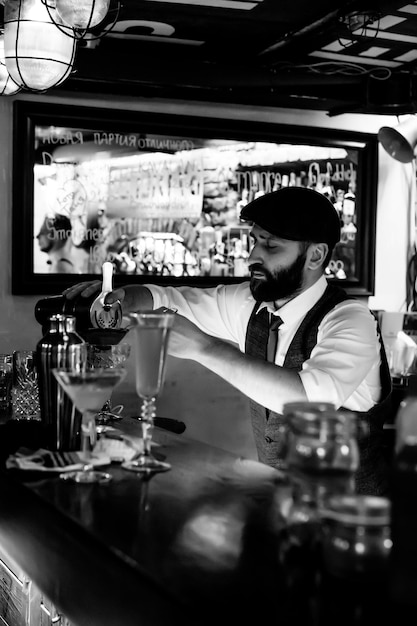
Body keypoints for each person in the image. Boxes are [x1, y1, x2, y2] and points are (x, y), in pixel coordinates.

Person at [64, 187, 392, 495]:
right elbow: (166, 298)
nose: (253, 256)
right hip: (281, 510)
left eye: (271, 245)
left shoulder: (350, 320)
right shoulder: (250, 304)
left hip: (350, 522)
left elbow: (306, 402)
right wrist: (117, 297)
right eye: (254, 242)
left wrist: (204, 348)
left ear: (316, 255)